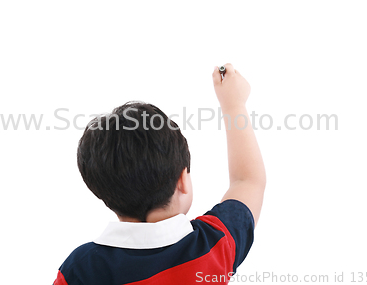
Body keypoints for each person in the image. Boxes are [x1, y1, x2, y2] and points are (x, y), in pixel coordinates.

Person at [53, 63, 266, 285]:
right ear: (182, 181)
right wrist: (233, 104)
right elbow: (248, 181)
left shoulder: (81, 269)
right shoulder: (213, 245)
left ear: (101, 191)